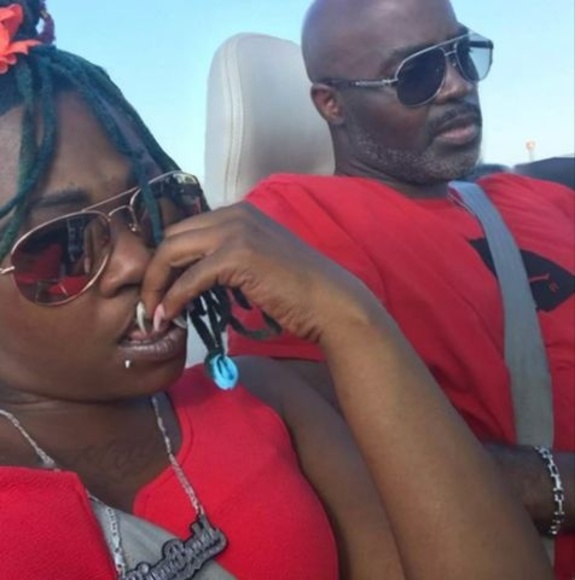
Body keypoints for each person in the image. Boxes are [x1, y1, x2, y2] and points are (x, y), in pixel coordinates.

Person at [0, 2, 555, 579]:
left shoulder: (266, 400)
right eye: (62, 246)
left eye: (155, 205)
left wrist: (347, 317)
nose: (138, 260)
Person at [226, 0, 575, 578]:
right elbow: (353, 466)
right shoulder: (292, 228)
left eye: (463, 53)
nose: (458, 84)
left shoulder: (540, 198)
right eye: (418, 73)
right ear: (331, 103)